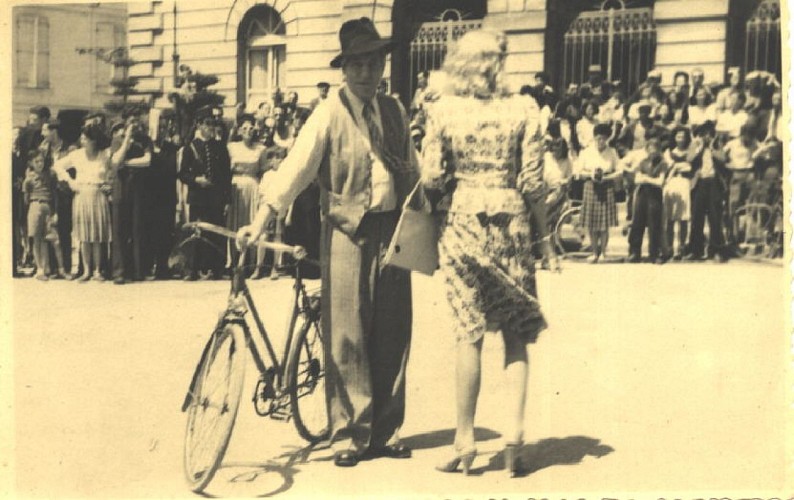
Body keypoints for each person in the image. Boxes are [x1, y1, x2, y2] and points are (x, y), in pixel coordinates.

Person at [238, 17, 424, 467]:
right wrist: (262, 219)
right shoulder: (327, 113)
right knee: (347, 334)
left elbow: (415, 172)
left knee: (394, 330)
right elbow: (297, 169)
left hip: (393, 229)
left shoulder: (395, 110)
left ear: (383, 65)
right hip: (346, 232)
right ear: (344, 69)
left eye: (373, 62)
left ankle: (385, 429)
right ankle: (348, 433)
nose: (366, 72)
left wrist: (425, 222)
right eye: (357, 64)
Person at [421, 29, 547, 477]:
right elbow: (533, 182)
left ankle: (465, 440)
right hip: (512, 221)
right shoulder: (525, 108)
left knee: (468, 332)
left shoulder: (443, 110)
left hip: (462, 223)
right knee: (515, 332)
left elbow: (433, 176)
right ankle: (513, 439)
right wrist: (545, 238)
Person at [52, 124, 112, 281]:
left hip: (98, 195)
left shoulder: (104, 155)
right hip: (81, 194)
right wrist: (70, 182)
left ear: (94, 140)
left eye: (85, 138)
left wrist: (107, 188)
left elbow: (109, 175)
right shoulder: (77, 155)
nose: (82, 140)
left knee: (97, 235)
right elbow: (57, 165)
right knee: (84, 235)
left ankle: (97, 270)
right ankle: (86, 270)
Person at [178, 106, 232, 280]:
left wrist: (227, 199)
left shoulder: (220, 147)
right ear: (199, 125)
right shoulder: (190, 147)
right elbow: (182, 174)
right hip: (198, 197)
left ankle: (215, 268)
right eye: (207, 124)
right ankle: (192, 268)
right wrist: (195, 180)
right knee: (196, 232)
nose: (210, 127)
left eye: (212, 124)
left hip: (215, 197)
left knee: (216, 231)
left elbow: (226, 176)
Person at [110, 114, 154, 284]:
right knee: (119, 230)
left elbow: (147, 161)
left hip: (138, 188)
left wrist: (127, 163)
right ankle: (119, 271)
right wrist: (126, 139)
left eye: (136, 122)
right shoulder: (118, 140)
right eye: (131, 123)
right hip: (121, 187)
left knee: (138, 228)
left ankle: (137, 270)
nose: (134, 125)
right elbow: (115, 161)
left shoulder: (145, 140)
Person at [226, 114, 268, 267]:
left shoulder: (260, 149)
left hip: (253, 186)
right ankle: (234, 261)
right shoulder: (232, 147)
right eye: (244, 128)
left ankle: (251, 262)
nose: (248, 131)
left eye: (251, 128)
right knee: (235, 222)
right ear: (239, 131)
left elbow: (263, 172)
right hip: (236, 186)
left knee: (252, 221)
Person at [576, 123, 621, 263]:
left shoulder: (612, 152)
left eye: (603, 138)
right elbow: (577, 171)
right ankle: (595, 252)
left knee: (604, 224)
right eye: (598, 138)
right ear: (594, 137)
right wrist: (590, 175)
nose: (600, 141)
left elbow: (619, 170)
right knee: (591, 223)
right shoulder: (586, 152)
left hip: (606, 185)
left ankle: (603, 253)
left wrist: (607, 177)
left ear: (607, 138)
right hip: (590, 186)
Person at [688, 121, 727, 262]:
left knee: (715, 218)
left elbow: (723, 159)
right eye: (703, 134)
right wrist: (700, 148)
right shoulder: (695, 145)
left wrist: (711, 148)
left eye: (709, 134)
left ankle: (716, 250)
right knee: (697, 218)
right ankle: (695, 250)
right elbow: (689, 159)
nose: (706, 136)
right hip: (699, 183)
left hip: (714, 183)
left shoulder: (716, 145)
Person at [628, 137, 668, 263]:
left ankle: (654, 254)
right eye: (650, 149)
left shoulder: (663, 163)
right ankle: (634, 252)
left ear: (659, 150)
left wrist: (646, 179)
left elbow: (660, 182)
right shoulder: (642, 162)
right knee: (637, 223)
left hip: (655, 196)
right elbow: (636, 179)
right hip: (642, 195)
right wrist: (649, 179)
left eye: (655, 149)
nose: (652, 152)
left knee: (654, 224)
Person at [22, 149, 59, 280]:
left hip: (47, 206)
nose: (40, 164)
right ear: (31, 163)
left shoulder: (50, 175)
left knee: (46, 237)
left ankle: (46, 266)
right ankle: (39, 268)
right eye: (36, 161)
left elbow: (54, 193)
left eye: (41, 161)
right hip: (35, 205)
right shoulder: (29, 179)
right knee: (36, 238)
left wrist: (54, 211)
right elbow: (26, 198)